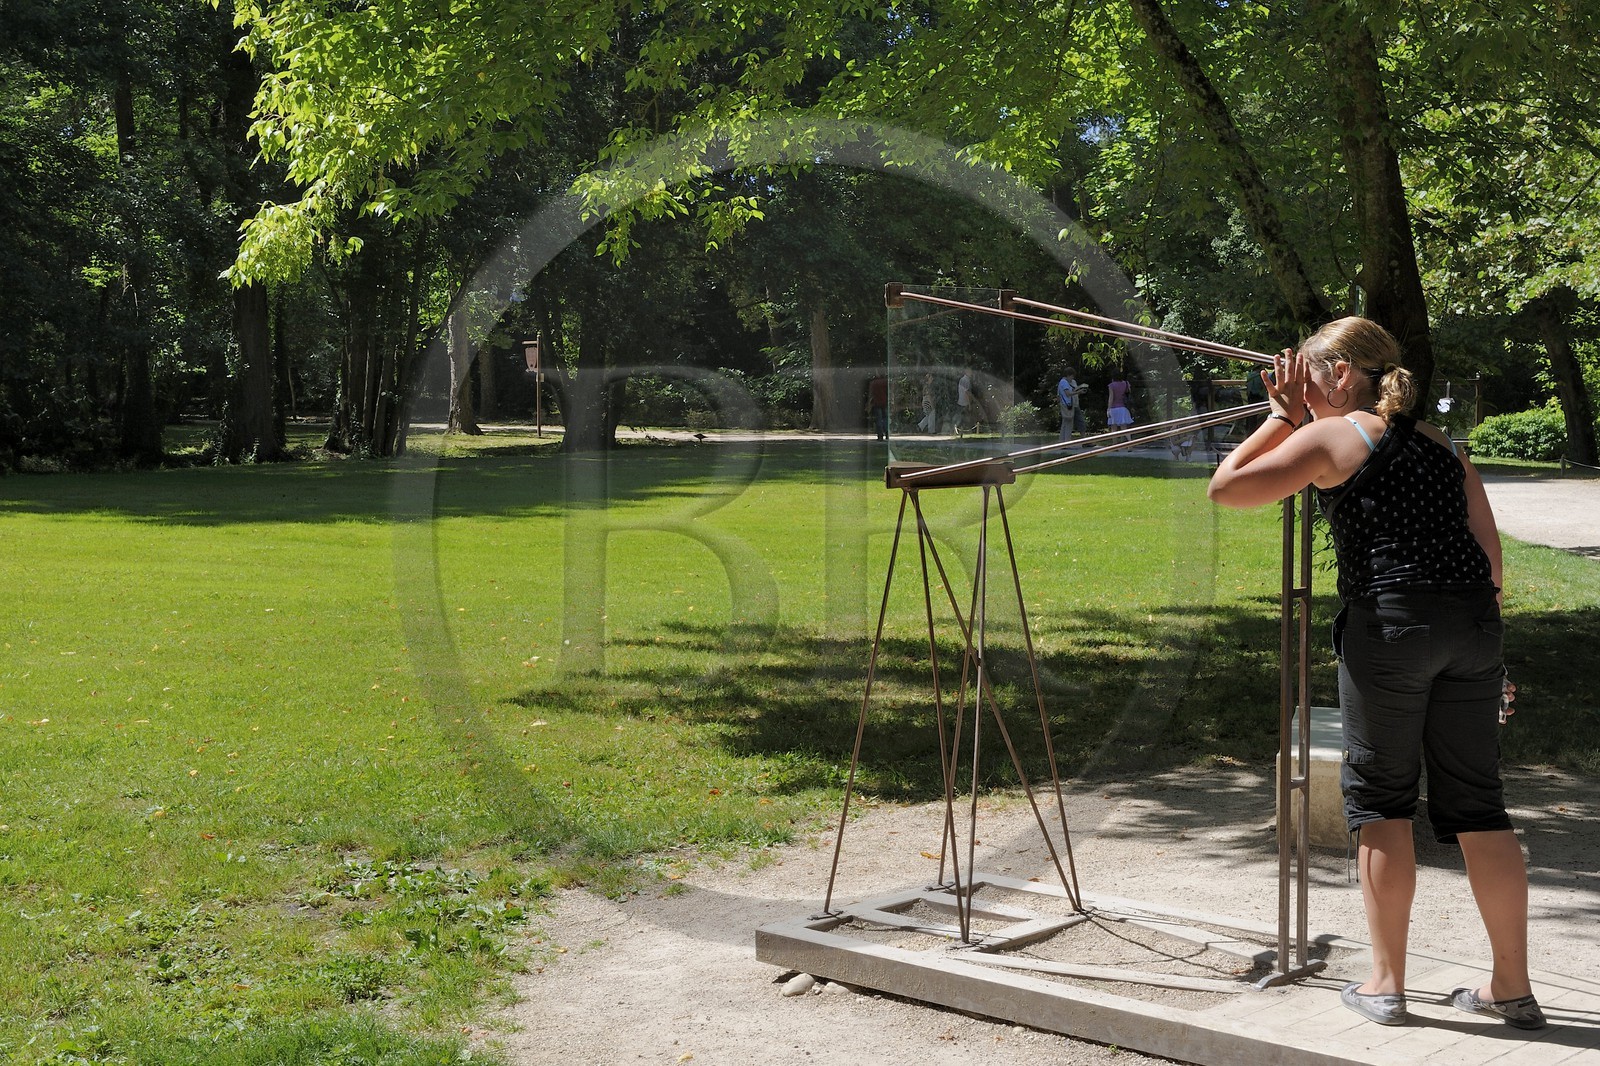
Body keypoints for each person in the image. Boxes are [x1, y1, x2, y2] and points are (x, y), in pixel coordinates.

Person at [1208, 317, 1542, 1032]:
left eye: (1305, 370)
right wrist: (1487, 652)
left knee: (1382, 801)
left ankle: (1386, 983)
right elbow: (1491, 564)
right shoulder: (1441, 445)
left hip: (1391, 627)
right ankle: (1511, 988)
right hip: (1472, 627)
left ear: (1341, 374)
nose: (1295, 381)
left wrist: (1279, 418)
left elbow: (1226, 488)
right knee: (1481, 806)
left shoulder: (1332, 435)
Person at [1106, 370, 1134, 443]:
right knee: (1124, 428)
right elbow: (1128, 392)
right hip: (1123, 408)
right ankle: (1130, 443)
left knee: (1114, 428)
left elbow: (1111, 397)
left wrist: (1108, 408)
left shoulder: (1111, 385)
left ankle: (1115, 445)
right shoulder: (1126, 384)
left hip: (1113, 408)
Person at [1056, 369, 1083, 442]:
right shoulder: (1064, 382)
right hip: (1067, 405)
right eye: (1072, 376)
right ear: (1068, 375)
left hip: (1065, 404)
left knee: (1065, 423)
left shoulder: (1061, 382)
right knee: (1068, 424)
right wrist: (1078, 392)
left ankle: (1061, 441)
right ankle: (1067, 441)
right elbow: (1068, 393)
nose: (1072, 378)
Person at [867, 375, 888, 440]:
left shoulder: (873, 383)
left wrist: (869, 403)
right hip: (884, 402)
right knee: (885, 418)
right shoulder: (885, 382)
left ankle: (880, 435)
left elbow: (871, 394)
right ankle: (887, 433)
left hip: (877, 402)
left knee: (878, 419)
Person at [955, 366, 973, 436]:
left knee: (961, 418)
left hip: (960, 401)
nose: (971, 373)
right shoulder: (966, 380)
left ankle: (960, 431)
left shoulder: (962, 379)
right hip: (964, 403)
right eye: (970, 372)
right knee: (964, 418)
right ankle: (963, 431)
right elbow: (967, 393)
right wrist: (969, 404)